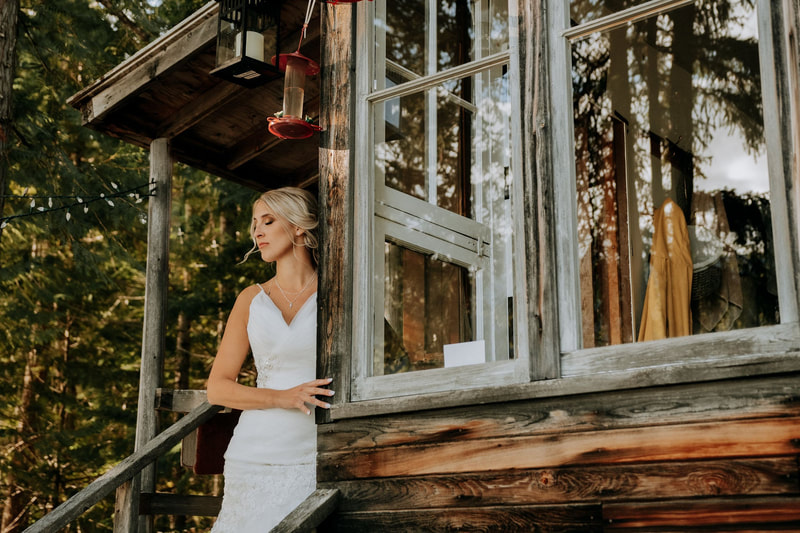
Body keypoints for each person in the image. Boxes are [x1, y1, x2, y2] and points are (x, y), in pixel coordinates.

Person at [206, 187, 334, 532]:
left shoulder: (335, 294)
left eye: (268, 221)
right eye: (254, 224)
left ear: (297, 227)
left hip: (313, 449)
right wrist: (283, 396)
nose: (257, 232)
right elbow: (217, 389)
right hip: (253, 452)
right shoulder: (251, 299)